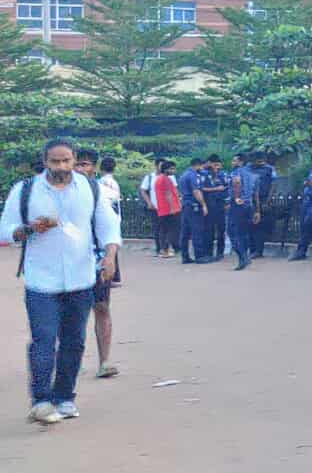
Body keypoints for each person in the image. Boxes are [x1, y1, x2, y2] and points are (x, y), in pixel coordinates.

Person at [4, 135, 122, 424]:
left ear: (74, 160)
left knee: (74, 341)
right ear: (45, 161)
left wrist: (109, 257)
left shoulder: (91, 189)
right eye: (55, 161)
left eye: (66, 160)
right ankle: (42, 400)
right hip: (41, 281)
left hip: (81, 279)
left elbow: (108, 226)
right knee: (43, 340)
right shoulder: (26, 191)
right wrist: (28, 229)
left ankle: (65, 397)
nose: (61, 166)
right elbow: (5, 230)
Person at [76, 150, 124, 379]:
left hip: (96, 259)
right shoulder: (56, 194)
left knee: (102, 307)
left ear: (93, 168)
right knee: (71, 313)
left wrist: (110, 256)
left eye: (84, 164)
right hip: (69, 261)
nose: (78, 168)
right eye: (76, 164)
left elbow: (111, 227)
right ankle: (70, 359)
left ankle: (105, 361)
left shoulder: (101, 193)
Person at [227, 150, 264, 270]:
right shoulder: (253, 175)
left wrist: (237, 197)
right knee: (244, 232)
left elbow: (236, 182)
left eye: (234, 160)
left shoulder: (236, 172)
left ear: (241, 162)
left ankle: (242, 257)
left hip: (238, 205)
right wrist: (257, 211)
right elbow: (256, 194)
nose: (232, 162)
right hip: (249, 205)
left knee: (233, 231)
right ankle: (246, 256)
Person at [176, 156, 208, 264]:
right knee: (197, 230)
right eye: (202, 166)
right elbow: (196, 191)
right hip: (193, 205)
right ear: (198, 165)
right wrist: (203, 204)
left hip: (185, 205)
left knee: (185, 232)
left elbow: (179, 191)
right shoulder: (193, 175)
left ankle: (185, 256)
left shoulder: (183, 175)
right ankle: (199, 256)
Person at [150, 159, 181, 261]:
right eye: (172, 169)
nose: (173, 171)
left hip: (162, 209)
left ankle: (164, 250)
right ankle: (166, 250)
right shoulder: (166, 179)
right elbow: (168, 194)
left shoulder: (158, 179)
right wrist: (173, 208)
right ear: (166, 169)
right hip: (169, 209)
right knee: (171, 230)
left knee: (163, 230)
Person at [201, 154, 229, 260]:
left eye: (218, 165)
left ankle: (220, 253)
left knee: (221, 229)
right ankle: (208, 253)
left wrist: (227, 203)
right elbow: (201, 188)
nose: (216, 167)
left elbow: (227, 188)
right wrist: (217, 188)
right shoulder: (204, 174)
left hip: (220, 205)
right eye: (215, 164)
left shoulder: (223, 175)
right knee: (209, 230)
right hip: (209, 205)